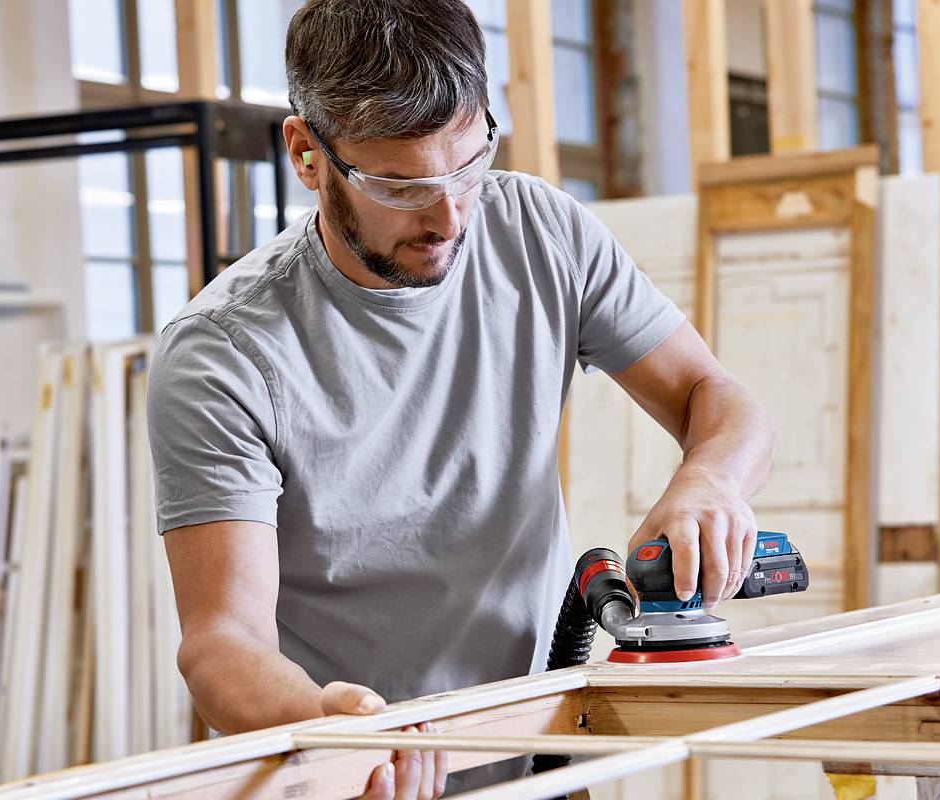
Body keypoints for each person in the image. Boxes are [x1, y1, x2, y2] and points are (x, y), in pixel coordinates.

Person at [146, 0, 773, 796]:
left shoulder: (541, 232)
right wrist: (334, 726)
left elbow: (715, 395)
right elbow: (220, 644)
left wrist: (711, 482)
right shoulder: (224, 353)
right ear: (307, 155)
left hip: (540, 758)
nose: (449, 217)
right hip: (356, 775)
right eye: (402, 187)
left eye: (469, 166)